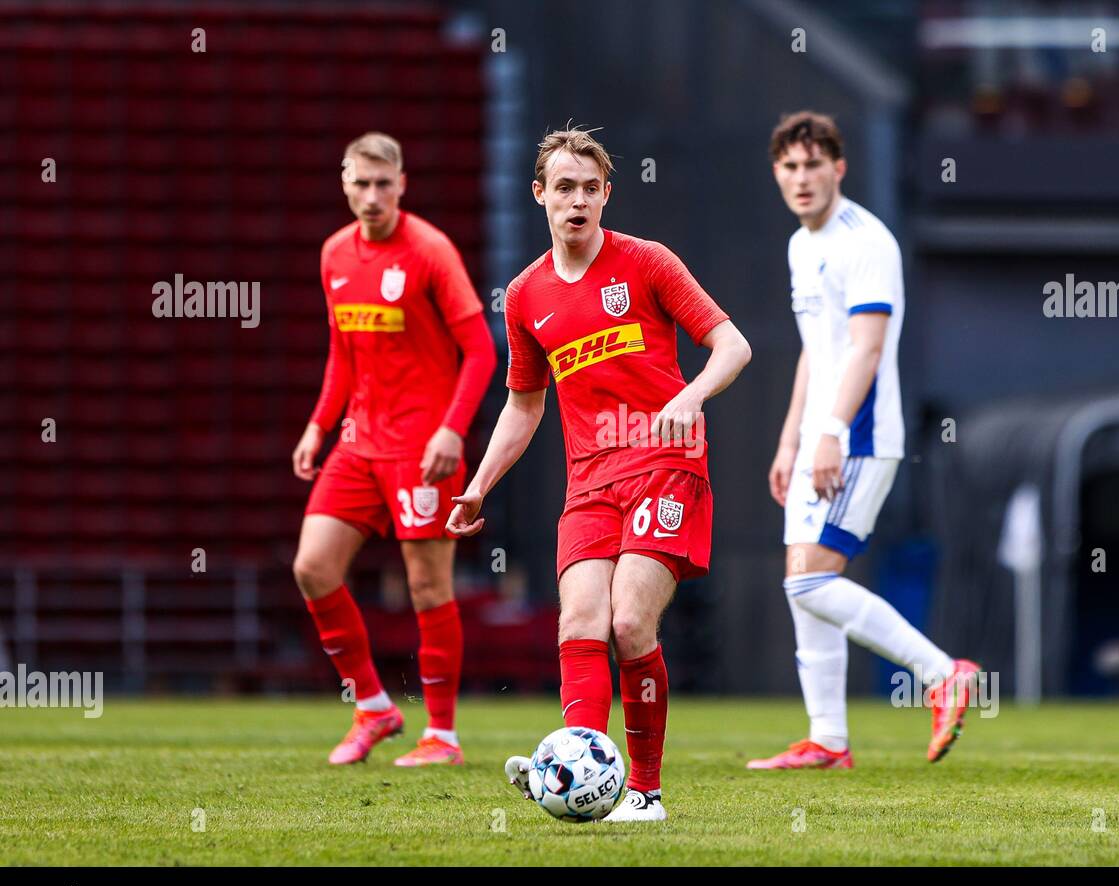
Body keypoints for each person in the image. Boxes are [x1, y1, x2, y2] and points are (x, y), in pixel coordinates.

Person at [447, 127, 751, 821]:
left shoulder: (646, 263)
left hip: (666, 466)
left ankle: (644, 792)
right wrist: (479, 484)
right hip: (589, 483)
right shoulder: (525, 296)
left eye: (590, 188)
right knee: (579, 621)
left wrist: (690, 394)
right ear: (539, 196)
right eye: (563, 188)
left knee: (629, 621)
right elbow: (524, 406)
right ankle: (571, 768)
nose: (577, 200)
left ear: (606, 194)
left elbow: (733, 345)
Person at [750, 111, 979, 770]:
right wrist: (791, 438)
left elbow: (866, 349)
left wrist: (828, 433)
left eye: (813, 164)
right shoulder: (801, 244)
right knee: (803, 583)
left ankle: (943, 673)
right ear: (777, 173)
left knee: (810, 584)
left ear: (838, 168)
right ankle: (828, 739)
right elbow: (814, 351)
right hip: (821, 436)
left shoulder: (866, 241)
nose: (801, 178)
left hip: (859, 436)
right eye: (789, 167)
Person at [291, 132, 496, 766]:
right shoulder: (334, 255)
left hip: (423, 446)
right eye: (361, 183)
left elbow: (483, 352)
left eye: (385, 184)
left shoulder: (430, 251)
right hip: (358, 441)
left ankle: (443, 736)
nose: (373, 195)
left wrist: (452, 429)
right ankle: (374, 707)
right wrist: (318, 426)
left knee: (427, 587)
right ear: (344, 184)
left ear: (402, 184)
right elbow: (342, 355)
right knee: (312, 567)